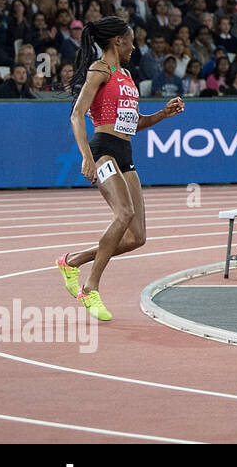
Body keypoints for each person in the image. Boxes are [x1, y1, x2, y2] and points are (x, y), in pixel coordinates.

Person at [60, 17, 184, 321]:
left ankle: (72, 261)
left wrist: (162, 115)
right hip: (102, 151)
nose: (134, 46)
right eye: (131, 41)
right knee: (124, 213)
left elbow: (134, 123)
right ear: (117, 41)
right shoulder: (99, 69)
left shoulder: (126, 75)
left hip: (125, 153)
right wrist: (87, 157)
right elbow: (77, 115)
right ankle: (90, 288)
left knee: (136, 237)